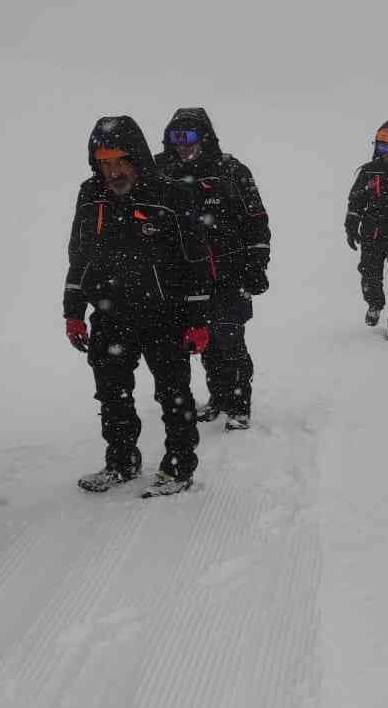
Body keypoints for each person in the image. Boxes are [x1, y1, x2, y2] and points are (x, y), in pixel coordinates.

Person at [64, 116, 210, 497]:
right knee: (112, 394)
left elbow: (196, 261)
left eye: (119, 161)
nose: (112, 171)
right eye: (104, 163)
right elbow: (78, 257)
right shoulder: (90, 195)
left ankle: (178, 468)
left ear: (138, 158)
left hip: (165, 315)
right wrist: (73, 312)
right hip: (110, 315)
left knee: (173, 394)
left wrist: (199, 320)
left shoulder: (171, 195)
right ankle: (121, 462)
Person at [156, 107, 271, 430]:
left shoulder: (231, 171)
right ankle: (218, 396)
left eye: (189, 136)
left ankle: (238, 403)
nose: (183, 145)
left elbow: (257, 221)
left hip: (230, 272)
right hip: (185, 278)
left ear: (204, 137)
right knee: (203, 340)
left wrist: (257, 264)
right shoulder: (161, 172)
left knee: (230, 337)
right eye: (176, 137)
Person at [345, 121, 388, 340]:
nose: (385, 152)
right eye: (381, 146)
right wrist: (351, 225)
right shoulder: (368, 171)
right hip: (372, 234)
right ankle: (374, 303)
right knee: (369, 276)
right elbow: (355, 201)